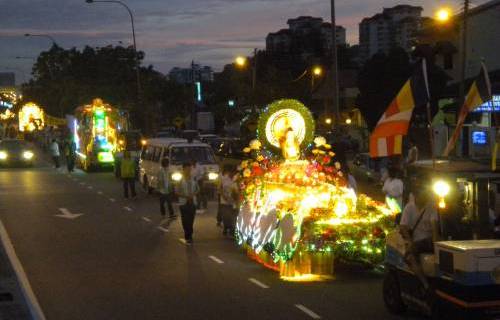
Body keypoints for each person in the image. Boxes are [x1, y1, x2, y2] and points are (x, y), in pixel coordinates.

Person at [399, 184, 440, 289]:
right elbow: (403, 226)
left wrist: (436, 247)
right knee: (410, 257)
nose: (424, 197)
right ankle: (425, 284)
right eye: (421, 195)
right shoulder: (409, 207)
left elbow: (434, 228)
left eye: (425, 195)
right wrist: (409, 240)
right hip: (416, 241)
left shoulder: (432, 207)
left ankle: (426, 284)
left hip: (428, 240)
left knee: (410, 252)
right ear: (415, 196)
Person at [177, 163, 199, 244]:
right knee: (185, 220)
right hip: (183, 203)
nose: (188, 171)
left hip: (192, 202)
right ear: (183, 169)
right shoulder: (180, 180)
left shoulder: (193, 179)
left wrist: (193, 195)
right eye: (187, 169)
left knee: (191, 219)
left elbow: (197, 189)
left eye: (189, 169)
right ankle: (187, 234)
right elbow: (177, 192)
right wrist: (186, 196)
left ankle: (190, 234)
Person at [219, 165, 238, 236]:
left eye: (234, 173)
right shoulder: (224, 179)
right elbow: (220, 188)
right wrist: (224, 196)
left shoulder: (237, 180)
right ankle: (226, 227)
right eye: (231, 172)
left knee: (233, 216)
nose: (232, 174)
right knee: (226, 216)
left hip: (234, 201)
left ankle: (232, 230)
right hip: (225, 201)